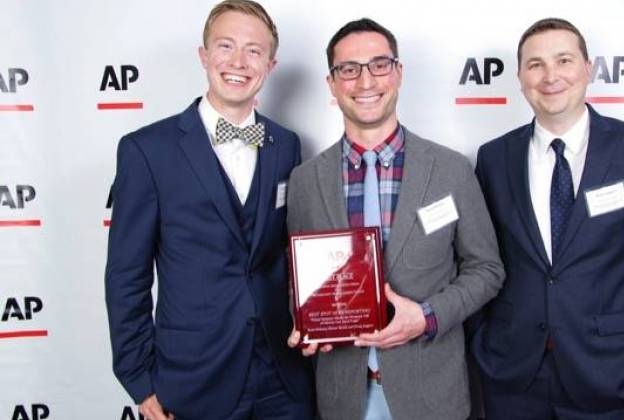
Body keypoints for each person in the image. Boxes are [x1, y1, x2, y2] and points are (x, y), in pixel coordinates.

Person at [472, 17, 624, 419]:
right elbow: (479, 261)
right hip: (512, 378)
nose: (550, 76)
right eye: (535, 64)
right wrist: (482, 348)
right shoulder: (493, 158)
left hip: (613, 376)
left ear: (587, 69)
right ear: (520, 77)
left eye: (564, 60)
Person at [285, 18, 504, 420]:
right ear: (332, 84)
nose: (365, 81)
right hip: (342, 398)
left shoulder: (450, 170)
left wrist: (426, 317)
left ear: (398, 73)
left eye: (379, 65)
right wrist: (306, 325)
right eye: (348, 69)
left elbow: (486, 269)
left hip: (432, 394)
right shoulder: (304, 180)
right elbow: (298, 279)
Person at [104, 1, 314, 419]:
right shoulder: (147, 150)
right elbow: (126, 277)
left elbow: (289, 253)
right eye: (225, 46)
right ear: (204, 56)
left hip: (283, 376)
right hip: (193, 380)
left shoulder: (286, 144)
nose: (239, 61)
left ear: (270, 66)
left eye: (254, 51)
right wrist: (141, 382)